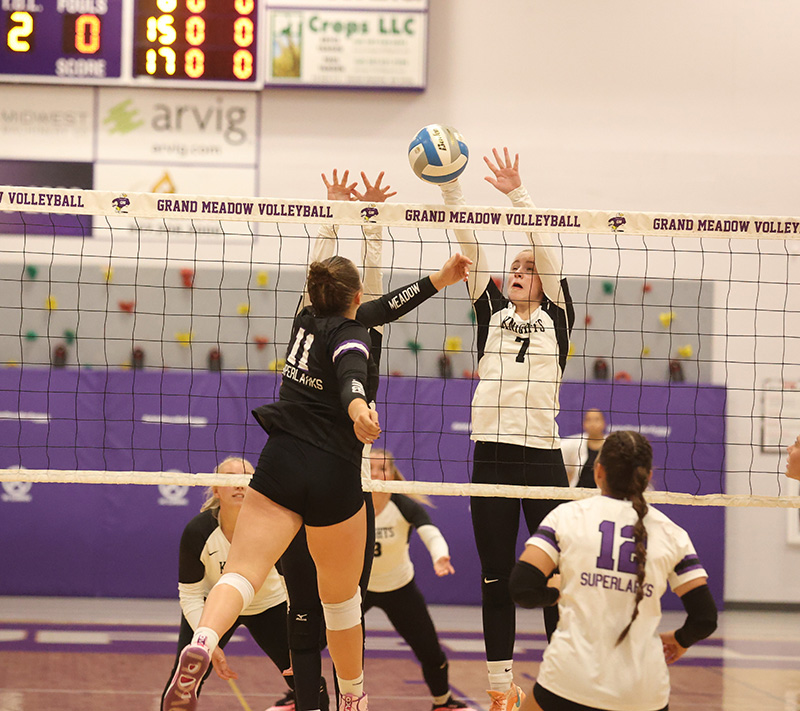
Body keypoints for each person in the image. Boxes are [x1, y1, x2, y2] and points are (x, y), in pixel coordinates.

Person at [278, 170, 473, 711]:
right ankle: (350, 697)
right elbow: (381, 290)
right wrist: (373, 223)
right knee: (342, 606)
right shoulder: (365, 326)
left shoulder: (305, 316)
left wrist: (336, 213)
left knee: (306, 601)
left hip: (291, 464)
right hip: (340, 474)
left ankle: (305, 691)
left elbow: (322, 277)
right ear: (357, 296)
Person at [437, 148, 575, 711]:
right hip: (490, 454)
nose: (518, 273)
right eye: (513, 268)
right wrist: (451, 189)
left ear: (543, 283)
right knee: (495, 576)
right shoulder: (490, 313)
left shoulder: (558, 315)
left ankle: (565, 678)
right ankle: (500, 689)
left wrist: (519, 196)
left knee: (553, 577)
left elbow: (548, 251)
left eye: (527, 269)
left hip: (541, 456)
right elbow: (470, 251)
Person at [509, 430, 718, 711]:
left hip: (569, 681)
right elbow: (704, 619)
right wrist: (680, 640)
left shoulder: (567, 517)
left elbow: (522, 589)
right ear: (648, 476)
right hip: (645, 693)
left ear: (598, 471)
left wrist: (554, 593)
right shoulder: (672, 534)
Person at [161, 457, 303, 709]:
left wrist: (297, 638)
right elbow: (190, 594)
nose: (239, 484)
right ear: (216, 489)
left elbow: (292, 586)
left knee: (304, 676)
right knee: (184, 680)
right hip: (213, 608)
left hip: (268, 606)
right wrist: (206, 640)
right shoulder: (198, 531)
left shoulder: (274, 528)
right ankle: (202, 646)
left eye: (246, 477)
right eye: (230, 477)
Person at [366, 448, 473, 711]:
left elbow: (429, 531)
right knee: (312, 642)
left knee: (431, 652)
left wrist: (440, 554)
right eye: (370, 468)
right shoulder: (349, 503)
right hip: (358, 589)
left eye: (383, 468)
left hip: (399, 588)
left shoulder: (403, 505)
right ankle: (300, 696)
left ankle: (443, 703)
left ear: (392, 474)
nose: (377, 474)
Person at [561, 409, 607, 488]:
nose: (593, 424)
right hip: (577, 493)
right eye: (588, 420)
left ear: (604, 423)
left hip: (602, 494)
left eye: (597, 419)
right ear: (583, 423)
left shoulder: (611, 445)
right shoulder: (574, 444)